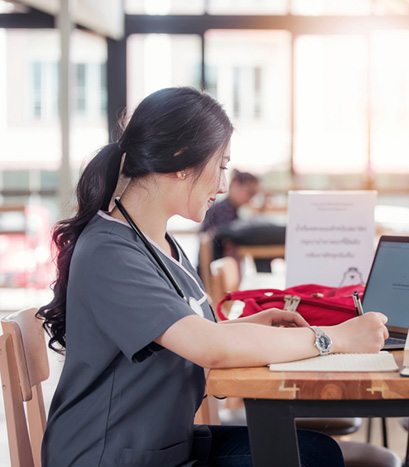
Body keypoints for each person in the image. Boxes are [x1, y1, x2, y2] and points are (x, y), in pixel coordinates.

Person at [37, 87, 388, 467]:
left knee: (316, 452)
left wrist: (253, 325)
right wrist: (333, 338)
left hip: (159, 445)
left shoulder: (159, 242)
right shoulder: (110, 251)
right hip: (108, 456)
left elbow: (196, 334)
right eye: (221, 166)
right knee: (308, 458)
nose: (223, 186)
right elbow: (209, 347)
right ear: (180, 160)